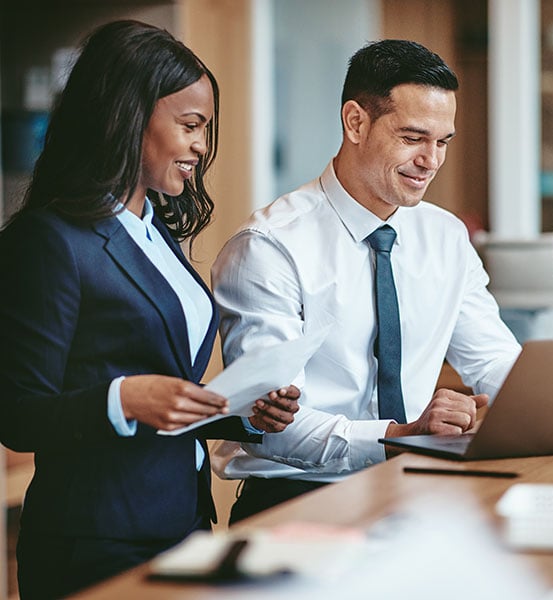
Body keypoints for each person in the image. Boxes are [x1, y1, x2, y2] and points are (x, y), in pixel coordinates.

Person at [0, 20, 299, 598]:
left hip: (183, 525)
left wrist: (240, 412)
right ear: (129, 117)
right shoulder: (50, 240)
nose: (200, 147)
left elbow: (162, 388)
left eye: (205, 129)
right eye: (190, 125)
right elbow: (18, 414)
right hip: (95, 543)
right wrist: (126, 397)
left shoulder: (153, 232)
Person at [211, 39, 521, 523]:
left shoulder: (445, 237)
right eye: (413, 137)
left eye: (442, 142)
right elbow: (273, 427)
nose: (431, 161)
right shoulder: (270, 247)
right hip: (298, 505)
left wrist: (552, 404)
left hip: (418, 495)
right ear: (356, 122)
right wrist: (403, 435)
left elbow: (494, 360)